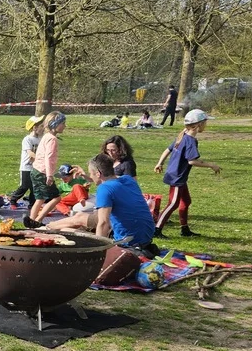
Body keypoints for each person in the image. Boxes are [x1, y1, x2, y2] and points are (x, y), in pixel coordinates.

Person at [46, 154, 157, 256]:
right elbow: (106, 180)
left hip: (126, 241)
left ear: (98, 173)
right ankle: (48, 227)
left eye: (91, 173)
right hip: (145, 236)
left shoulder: (105, 189)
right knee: (80, 217)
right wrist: (85, 175)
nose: (90, 176)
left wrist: (97, 251)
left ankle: (46, 229)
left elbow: (103, 223)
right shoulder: (128, 180)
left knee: (66, 231)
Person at [153, 108, 221, 237]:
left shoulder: (183, 135)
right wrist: (211, 165)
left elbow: (167, 150)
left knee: (186, 201)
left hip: (178, 176)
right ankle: (156, 230)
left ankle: (184, 229)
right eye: (205, 122)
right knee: (173, 204)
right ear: (198, 125)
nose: (206, 125)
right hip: (177, 177)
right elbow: (192, 161)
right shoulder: (190, 140)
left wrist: (160, 163)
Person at [25, 111, 67, 228]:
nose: (65, 126)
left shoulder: (46, 136)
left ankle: (31, 222)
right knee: (56, 198)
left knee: (39, 199)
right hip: (43, 172)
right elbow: (48, 158)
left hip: (36, 171)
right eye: (63, 123)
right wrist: (49, 175)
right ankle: (38, 220)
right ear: (54, 124)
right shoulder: (52, 139)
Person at [6, 115, 43, 207]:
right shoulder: (27, 139)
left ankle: (32, 204)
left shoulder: (40, 139)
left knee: (35, 187)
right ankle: (13, 199)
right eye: (41, 126)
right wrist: (40, 159)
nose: (43, 128)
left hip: (36, 168)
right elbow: (30, 153)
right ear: (34, 128)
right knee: (24, 186)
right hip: (26, 167)